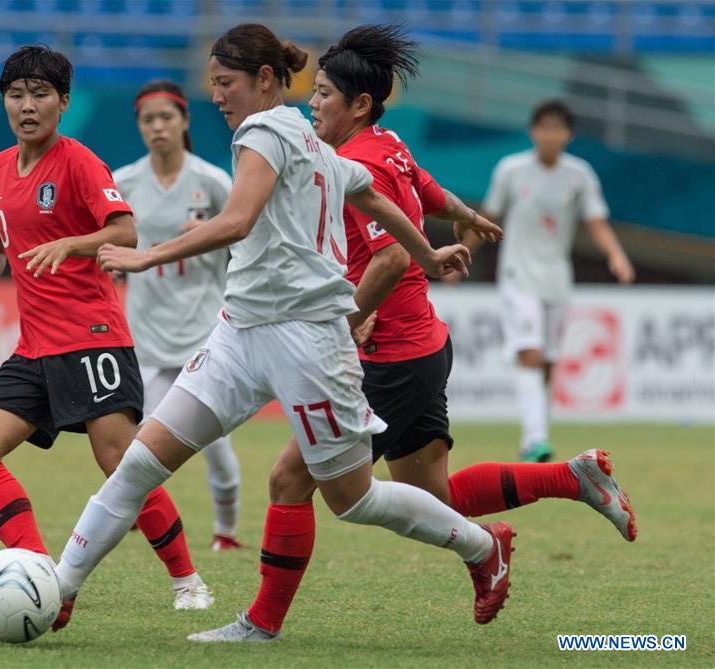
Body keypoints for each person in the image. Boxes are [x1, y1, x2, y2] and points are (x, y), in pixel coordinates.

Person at [52, 22, 516, 638]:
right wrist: (428, 256)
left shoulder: (265, 131)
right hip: (239, 335)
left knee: (354, 499)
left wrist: (146, 256)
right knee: (140, 463)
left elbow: (239, 220)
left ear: (265, 80)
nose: (216, 96)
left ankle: (483, 547)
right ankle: (58, 589)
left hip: (308, 342)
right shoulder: (308, 134)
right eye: (212, 84)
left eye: (226, 83)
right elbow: (376, 198)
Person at [189, 25, 638, 642]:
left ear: (360, 105)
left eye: (322, 94)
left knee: (291, 480)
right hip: (421, 346)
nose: (311, 103)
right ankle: (571, 478)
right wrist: (467, 215)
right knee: (436, 497)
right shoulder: (390, 145)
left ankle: (261, 624)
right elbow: (426, 190)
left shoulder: (353, 160)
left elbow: (390, 259)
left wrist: (343, 326)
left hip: (385, 355)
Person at [0, 46, 213, 630]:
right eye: (17, 95)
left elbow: (123, 228)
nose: (28, 106)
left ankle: (187, 580)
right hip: (34, 347)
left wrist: (69, 244)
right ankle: (41, 573)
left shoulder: (78, 163)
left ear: (63, 103)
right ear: (5, 102)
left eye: (41, 94)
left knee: (122, 463)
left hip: (93, 337)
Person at [114, 80, 243, 551]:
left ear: (184, 121)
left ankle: (226, 535)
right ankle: (135, 515)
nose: (158, 127)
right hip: (146, 335)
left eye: (166, 117)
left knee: (216, 445)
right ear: (140, 128)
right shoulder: (123, 181)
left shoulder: (211, 181)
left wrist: (210, 230)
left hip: (202, 333)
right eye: (148, 120)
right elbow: (105, 243)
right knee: (140, 444)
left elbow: (246, 239)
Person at [476, 100, 636, 462]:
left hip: (556, 279)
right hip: (518, 275)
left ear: (569, 134)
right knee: (529, 353)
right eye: (543, 127)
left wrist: (616, 255)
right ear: (533, 132)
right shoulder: (512, 170)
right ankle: (536, 439)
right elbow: (489, 215)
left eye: (557, 127)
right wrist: (462, 251)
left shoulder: (579, 175)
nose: (550, 134)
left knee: (547, 361)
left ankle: (534, 434)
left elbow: (596, 221)